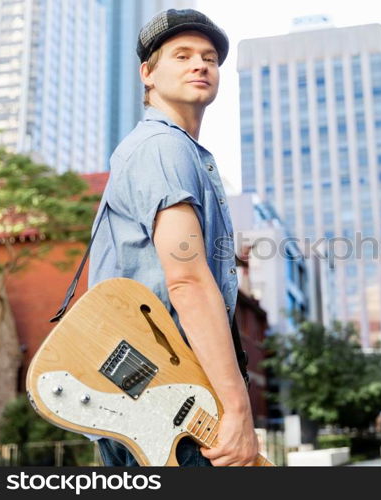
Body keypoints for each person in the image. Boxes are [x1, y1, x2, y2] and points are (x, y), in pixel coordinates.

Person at [88, 9, 258, 467]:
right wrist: (238, 408)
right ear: (147, 73)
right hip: (171, 403)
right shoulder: (164, 147)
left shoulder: (175, 149)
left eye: (209, 58)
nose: (200, 65)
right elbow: (187, 281)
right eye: (181, 55)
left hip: (159, 399)